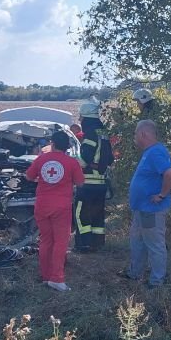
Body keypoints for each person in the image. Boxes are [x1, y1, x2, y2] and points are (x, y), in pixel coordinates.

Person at [25, 129, 84, 291]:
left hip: (42, 206)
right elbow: (80, 183)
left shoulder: (41, 159)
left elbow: (28, 177)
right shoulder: (72, 162)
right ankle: (57, 278)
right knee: (61, 242)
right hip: (61, 208)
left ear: (53, 144)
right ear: (67, 146)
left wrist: (40, 178)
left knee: (46, 241)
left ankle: (45, 276)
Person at [122, 120, 171, 288]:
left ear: (143, 134)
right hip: (141, 209)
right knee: (137, 242)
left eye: (136, 134)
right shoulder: (149, 152)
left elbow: (169, 173)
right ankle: (134, 273)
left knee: (155, 245)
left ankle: (157, 281)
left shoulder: (156, 152)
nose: (135, 138)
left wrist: (162, 195)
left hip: (151, 210)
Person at [73, 99, 114, 252]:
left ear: (86, 117)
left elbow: (83, 161)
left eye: (81, 117)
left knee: (81, 214)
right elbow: (110, 159)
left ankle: (83, 245)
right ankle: (97, 244)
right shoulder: (103, 133)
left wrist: (72, 159)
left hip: (87, 183)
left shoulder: (89, 134)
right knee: (97, 216)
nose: (80, 120)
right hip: (101, 184)